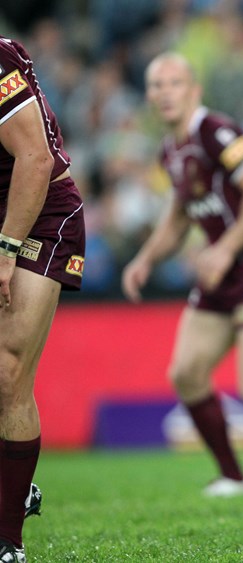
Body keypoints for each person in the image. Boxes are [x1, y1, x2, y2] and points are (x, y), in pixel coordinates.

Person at [122, 52, 243, 497]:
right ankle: (233, 476)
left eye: (174, 83)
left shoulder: (217, 131)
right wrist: (145, 259)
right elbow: (179, 214)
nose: (165, 92)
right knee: (186, 374)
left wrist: (224, 248)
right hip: (219, 274)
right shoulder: (170, 149)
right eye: (156, 85)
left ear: (194, 90)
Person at [0, 35, 86, 561]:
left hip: (38, 216)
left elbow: (34, 158)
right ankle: (13, 483)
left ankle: (7, 538)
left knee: (8, 372)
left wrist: (5, 250)